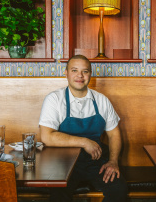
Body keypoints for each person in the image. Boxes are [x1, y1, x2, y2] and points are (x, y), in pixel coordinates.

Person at [39, 55, 127, 202]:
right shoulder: (54, 99)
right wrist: (85, 142)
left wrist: (113, 161)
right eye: (74, 70)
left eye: (85, 71)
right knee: (58, 196)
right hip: (62, 163)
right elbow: (46, 137)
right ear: (66, 73)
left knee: (118, 189)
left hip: (96, 162)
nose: (80, 75)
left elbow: (114, 135)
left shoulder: (101, 100)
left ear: (90, 75)